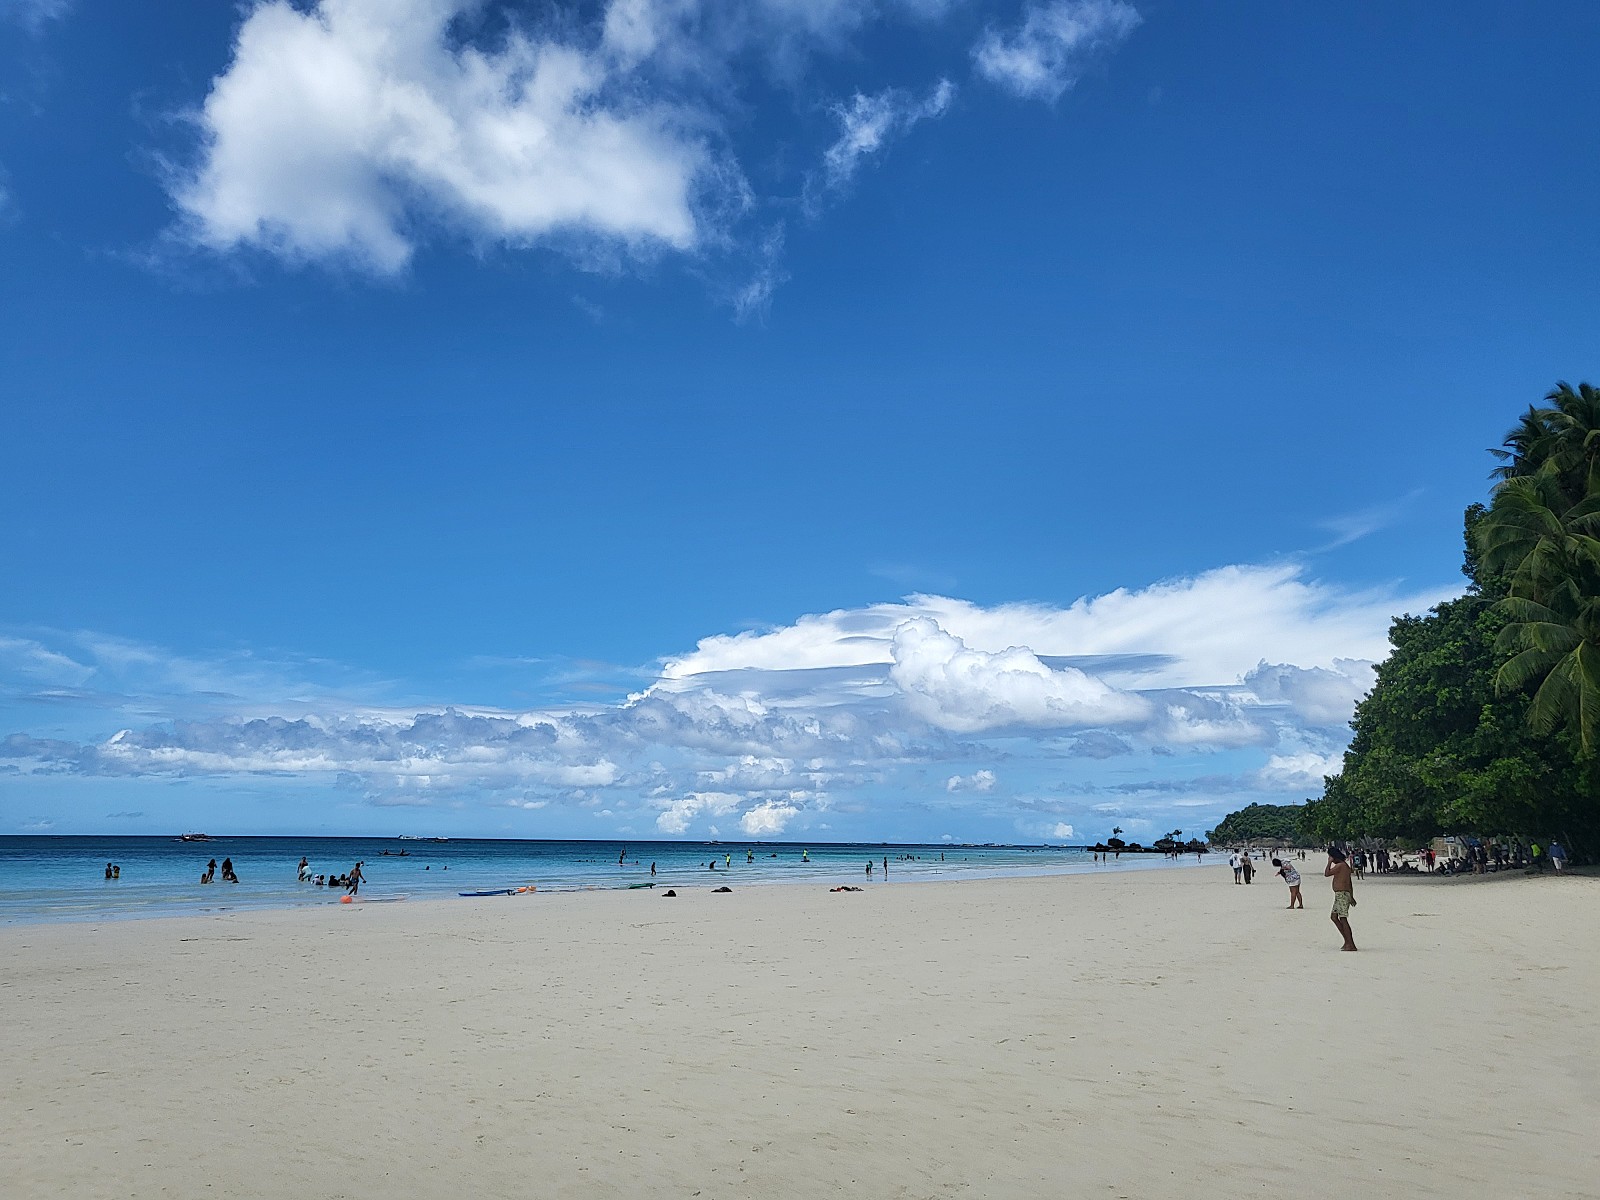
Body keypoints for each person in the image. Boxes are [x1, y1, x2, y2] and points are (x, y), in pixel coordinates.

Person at [1324, 848, 1357, 951]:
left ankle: (1350, 943)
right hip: (1341, 894)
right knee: (1334, 917)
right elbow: (1349, 882)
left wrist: (1329, 863)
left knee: (1343, 918)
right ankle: (1347, 941)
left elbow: (1327, 873)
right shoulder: (1345, 866)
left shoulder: (1340, 866)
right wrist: (1351, 896)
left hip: (1342, 894)